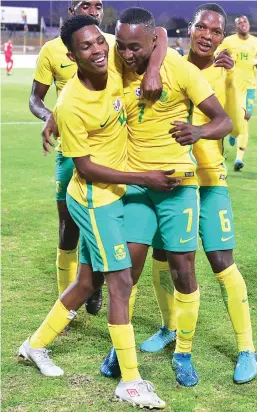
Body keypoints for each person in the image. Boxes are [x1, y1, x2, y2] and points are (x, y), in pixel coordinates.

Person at [18, 15, 180, 408]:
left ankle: (33, 346)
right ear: (71, 56)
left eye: (99, 41)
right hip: (94, 198)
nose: (98, 49)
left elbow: (157, 37)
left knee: (89, 281)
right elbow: (86, 168)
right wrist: (145, 177)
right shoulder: (72, 103)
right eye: (86, 46)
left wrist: (154, 69)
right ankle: (130, 380)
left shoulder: (114, 64)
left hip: (112, 193)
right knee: (121, 281)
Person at [100, 7, 232, 388]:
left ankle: (184, 353)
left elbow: (224, 120)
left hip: (178, 187)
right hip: (139, 186)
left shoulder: (180, 69)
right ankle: (119, 347)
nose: (127, 55)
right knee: (127, 272)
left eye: (135, 49)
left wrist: (198, 131)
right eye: (121, 47)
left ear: (153, 42)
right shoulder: (117, 65)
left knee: (183, 271)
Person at [140, 3, 257, 386]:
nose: (208, 35)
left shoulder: (225, 72)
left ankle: (246, 348)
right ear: (190, 29)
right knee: (163, 260)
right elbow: (154, 36)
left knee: (223, 263)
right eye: (202, 28)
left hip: (210, 181)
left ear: (222, 37)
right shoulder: (172, 64)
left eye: (216, 31)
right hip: (172, 183)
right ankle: (169, 327)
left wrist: (228, 80)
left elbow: (235, 125)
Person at [29, 0, 168, 317]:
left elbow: (156, 33)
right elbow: (35, 98)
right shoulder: (53, 50)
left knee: (108, 224)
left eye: (98, 4)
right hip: (73, 150)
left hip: (113, 149)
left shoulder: (109, 44)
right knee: (69, 227)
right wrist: (52, 115)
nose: (94, 10)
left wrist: (156, 70)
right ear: (71, 10)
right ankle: (69, 301)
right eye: (85, 5)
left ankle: (91, 285)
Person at [218, 15, 257, 171]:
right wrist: (226, 58)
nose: (243, 24)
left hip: (250, 87)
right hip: (232, 87)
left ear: (248, 24)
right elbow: (218, 54)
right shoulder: (229, 41)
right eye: (239, 23)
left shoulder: (256, 42)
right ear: (236, 27)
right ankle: (232, 135)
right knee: (230, 119)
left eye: (245, 21)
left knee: (245, 118)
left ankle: (239, 159)